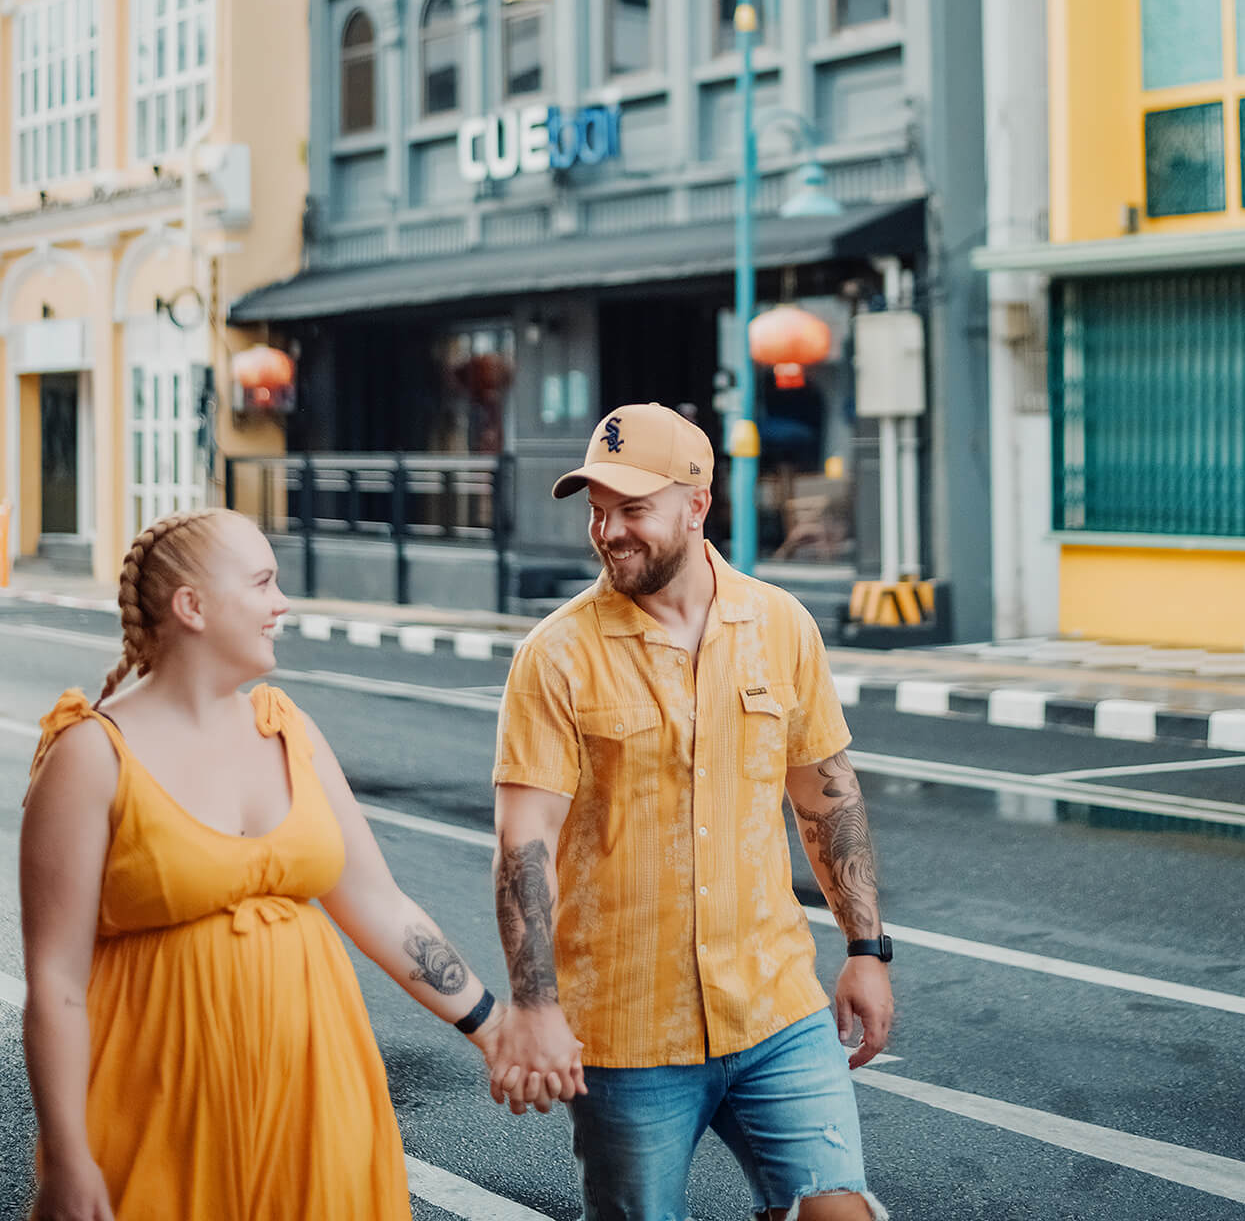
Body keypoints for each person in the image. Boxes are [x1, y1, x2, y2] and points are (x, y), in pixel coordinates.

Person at [20, 507, 509, 1221]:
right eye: (262, 582)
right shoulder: (91, 755)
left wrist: (492, 1028)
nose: (282, 603)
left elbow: (379, 904)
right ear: (193, 607)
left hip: (318, 1097)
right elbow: (55, 984)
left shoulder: (289, 731)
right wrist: (67, 1155)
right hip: (157, 1104)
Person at [487, 403, 892, 1221]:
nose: (608, 530)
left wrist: (866, 948)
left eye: (632, 509)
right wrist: (534, 1007)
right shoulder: (556, 657)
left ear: (697, 504)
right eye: (598, 510)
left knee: (835, 1210)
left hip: (775, 1005)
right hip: (629, 1035)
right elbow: (524, 845)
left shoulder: (779, 626)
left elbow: (827, 794)